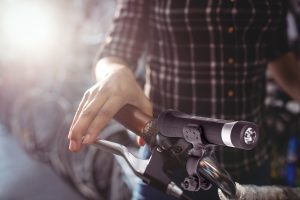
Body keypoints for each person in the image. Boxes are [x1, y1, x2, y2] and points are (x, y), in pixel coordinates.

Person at [68, 0, 300, 199]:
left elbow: (280, 58)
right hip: (169, 164)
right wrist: (115, 74)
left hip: (251, 165)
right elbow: (115, 52)